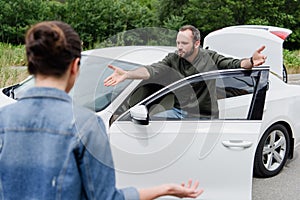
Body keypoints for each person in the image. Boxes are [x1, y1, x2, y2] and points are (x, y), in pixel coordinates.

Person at [0, 21, 203, 199]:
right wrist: (164, 189)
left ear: (31, 65)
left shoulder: (3, 118)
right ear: (74, 67)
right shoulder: (86, 125)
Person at [104, 25, 267, 119]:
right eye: (177, 43)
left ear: (197, 44)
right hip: (179, 112)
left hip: (205, 117)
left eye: (184, 43)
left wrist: (251, 61)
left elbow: (236, 64)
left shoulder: (210, 58)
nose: (179, 47)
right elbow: (152, 70)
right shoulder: (173, 59)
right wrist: (127, 74)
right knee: (148, 123)